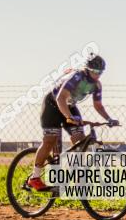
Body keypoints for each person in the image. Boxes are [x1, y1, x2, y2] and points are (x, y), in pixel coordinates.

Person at [28, 54, 118, 191]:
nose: (98, 75)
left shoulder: (97, 85)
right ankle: (34, 177)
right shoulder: (76, 77)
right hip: (53, 105)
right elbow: (60, 98)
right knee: (50, 141)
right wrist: (69, 116)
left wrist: (109, 119)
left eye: (100, 72)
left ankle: (75, 175)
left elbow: (98, 105)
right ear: (87, 69)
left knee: (80, 141)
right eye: (95, 71)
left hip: (69, 106)